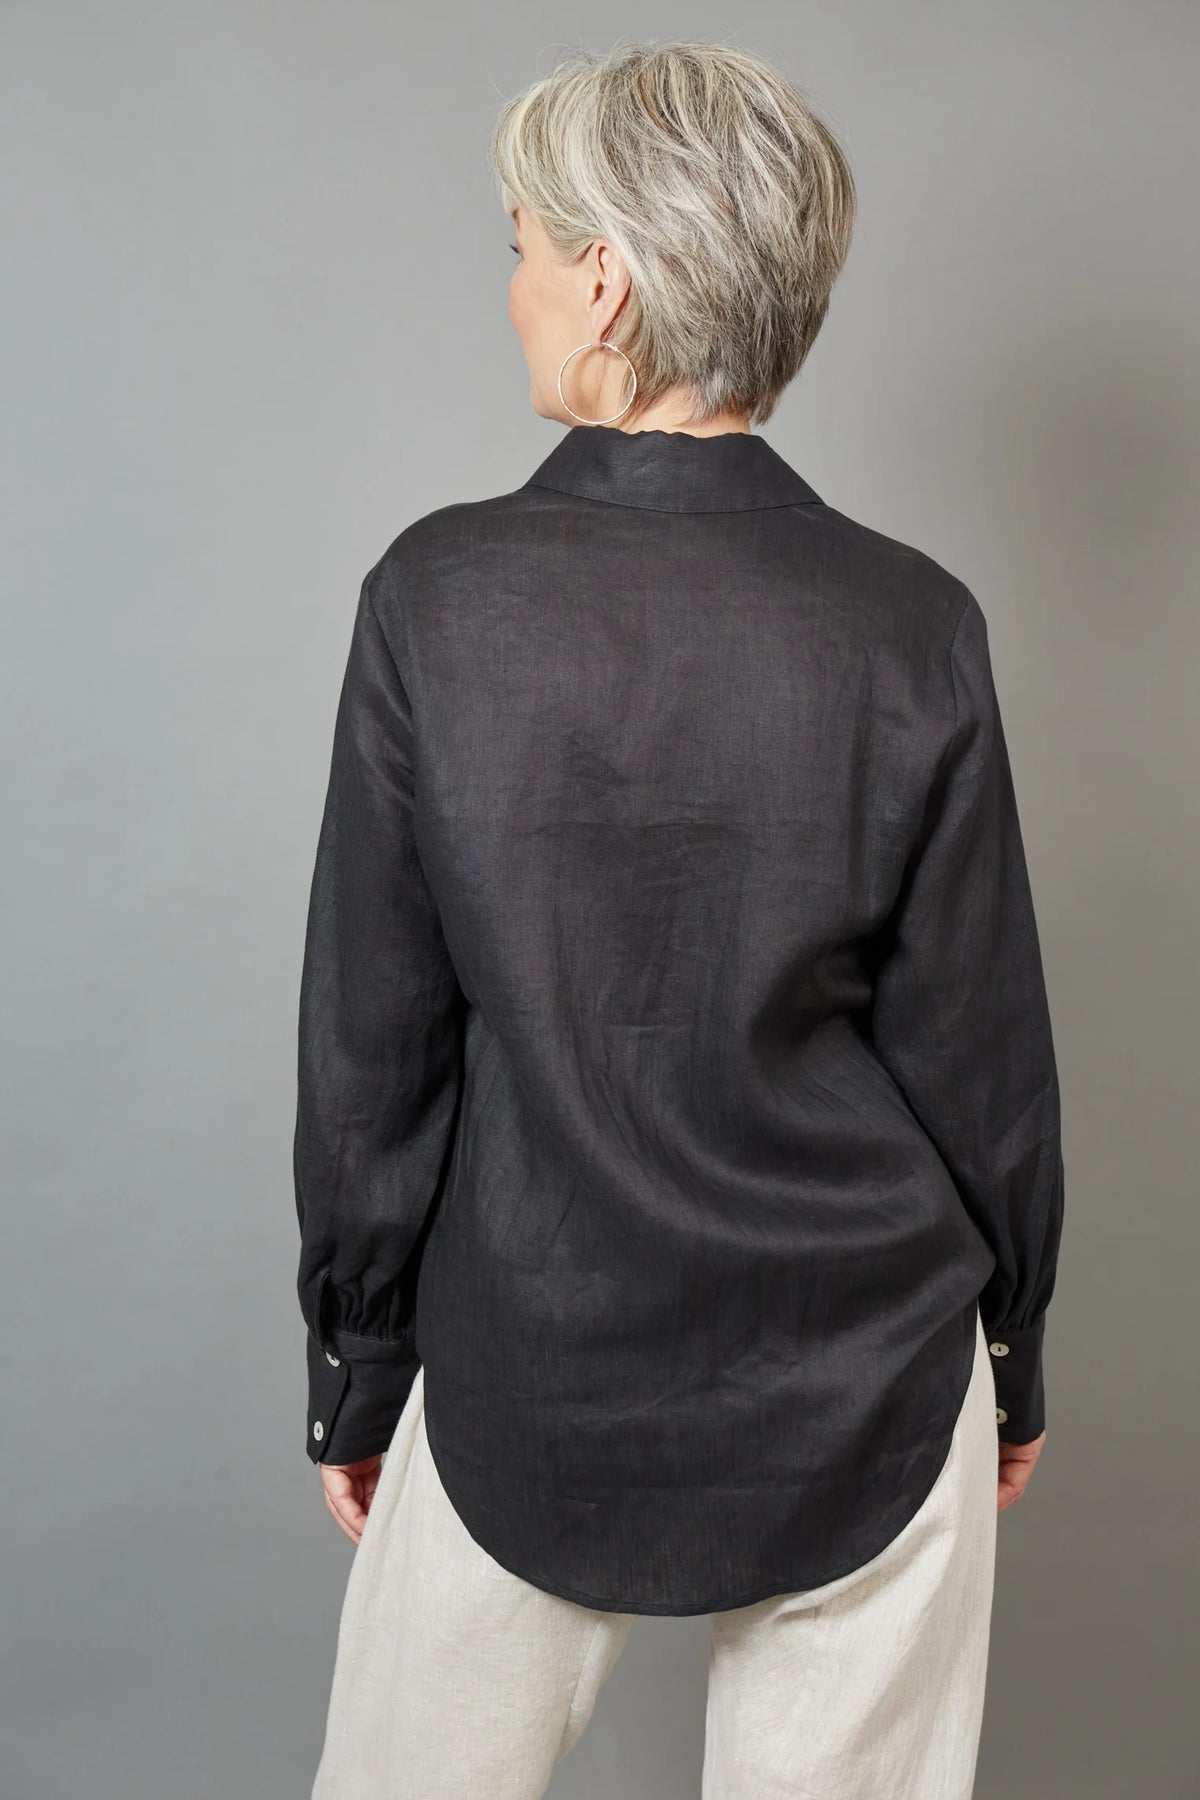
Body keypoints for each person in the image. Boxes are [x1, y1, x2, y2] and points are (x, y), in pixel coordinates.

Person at [292, 38, 1066, 1800]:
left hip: (525, 1349)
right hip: (874, 1359)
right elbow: (979, 1052)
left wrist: (358, 1358)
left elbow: (375, 1046)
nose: (509, 291)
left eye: (519, 247)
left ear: (605, 280)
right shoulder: (915, 621)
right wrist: (1012, 1350)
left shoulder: (436, 600)